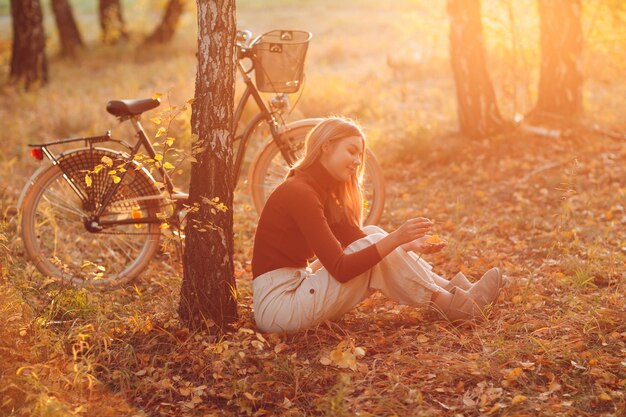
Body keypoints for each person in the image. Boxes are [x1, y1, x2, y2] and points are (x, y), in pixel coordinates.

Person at [251, 117, 503, 334]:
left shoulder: (318, 190)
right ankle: (457, 306)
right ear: (326, 146)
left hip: (294, 289)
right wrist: (395, 239)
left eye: (359, 155)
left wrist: (406, 244)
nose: (357, 161)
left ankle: (455, 292)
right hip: (280, 306)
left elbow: (361, 243)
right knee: (377, 241)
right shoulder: (300, 192)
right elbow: (341, 269)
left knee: (372, 234)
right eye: (351, 151)